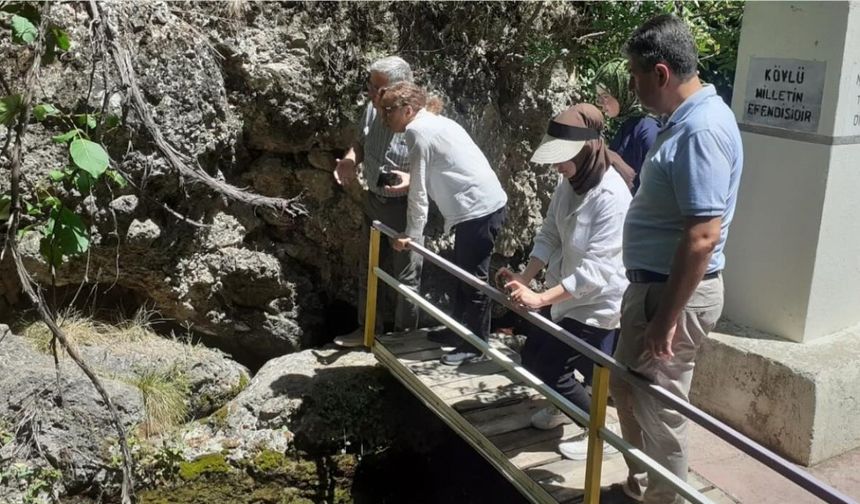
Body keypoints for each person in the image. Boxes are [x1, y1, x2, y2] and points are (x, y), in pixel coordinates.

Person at [609, 14, 743, 503]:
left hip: (671, 295)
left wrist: (666, 318)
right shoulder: (683, 122)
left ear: (660, 73)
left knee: (662, 410)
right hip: (655, 291)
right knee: (628, 390)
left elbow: (703, 236)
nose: (633, 86)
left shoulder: (699, 131)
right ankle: (645, 485)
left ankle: (666, 498)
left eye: (635, 75)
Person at [497, 103, 631, 461]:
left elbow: (597, 272)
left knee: (553, 368)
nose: (557, 167)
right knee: (533, 358)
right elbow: (550, 234)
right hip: (563, 292)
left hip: (597, 301)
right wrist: (524, 278)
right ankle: (561, 409)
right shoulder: (569, 183)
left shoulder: (612, 196)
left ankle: (601, 431)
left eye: (563, 159)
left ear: (586, 151)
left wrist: (539, 299)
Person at [380, 81, 508, 366]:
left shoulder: (417, 131)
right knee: (462, 274)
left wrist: (411, 236)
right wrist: (411, 177)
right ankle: (459, 333)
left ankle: (476, 346)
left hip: (478, 209)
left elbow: (419, 197)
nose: (383, 116)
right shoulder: (434, 122)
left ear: (408, 109)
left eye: (387, 110)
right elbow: (446, 168)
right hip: (481, 206)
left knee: (473, 279)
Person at [332, 56, 424, 347]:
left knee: (406, 275)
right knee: (368, 269)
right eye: (370, 85)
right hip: (373, 201)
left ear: (398, 90)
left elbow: (435, 169)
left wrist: (412, 182)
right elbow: (360, 142)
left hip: (405, 208)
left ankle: (403, 341)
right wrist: (349, 161)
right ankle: (368, 330)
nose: (370, 93)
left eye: (377, 88)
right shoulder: (370, 110)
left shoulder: (418, 121)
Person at [594, 58, 660, 193]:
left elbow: (655, 188)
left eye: (605, 96)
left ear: (625, 92)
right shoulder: (627, 125)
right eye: (598, 96)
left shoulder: (648, 130)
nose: (600, 103)